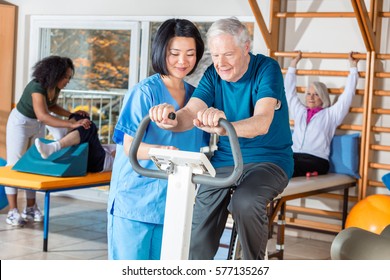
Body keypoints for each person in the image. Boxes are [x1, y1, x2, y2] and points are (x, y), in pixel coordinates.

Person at [149, 17, 293, 260]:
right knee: (202, 213)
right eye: (215, 56)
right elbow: (190, 112)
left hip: (269, 161)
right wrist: (172, 118)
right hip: (226, 160)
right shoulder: (213, 75)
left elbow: (262, 122)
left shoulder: (267, 69)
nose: (220, 63)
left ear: (246, 47)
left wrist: (225, 128)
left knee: (245, 203)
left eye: (227, 54)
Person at [107, 18, 207, 260]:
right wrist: (162, 151)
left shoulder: (197, 98)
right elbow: (131, 146)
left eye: (190, 54)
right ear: (161, 51)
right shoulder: (144, 93)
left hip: (174, 202)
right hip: (136, 200)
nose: (183, 61)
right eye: (175, 53)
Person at [5, 55, 91, 226]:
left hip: (36, 124)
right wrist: (71, 124)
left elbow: (51, 107)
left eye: (69, 77)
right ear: (55, 74)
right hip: (20, 123)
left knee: (34, 163)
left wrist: (73, 115)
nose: (67, 80)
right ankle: (12, 211)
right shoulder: (37, 86)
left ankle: (30, 208)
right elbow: (43, 115)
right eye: (65, 76)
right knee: (13, 165)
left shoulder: (54, 88)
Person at [285, 51, 359, 177]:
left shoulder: (331, 115)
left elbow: (347, 95)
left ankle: (310, 172)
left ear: (323, 97)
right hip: (295, 155)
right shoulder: (300, 111)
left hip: (317, 160)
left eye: (316, 94)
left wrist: (353, 69)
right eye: (309, 93)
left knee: (288, 166)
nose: (311, 97)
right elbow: (289, 91)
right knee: (275, 162)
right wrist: (293, 64)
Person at [34, 114, 115, 173]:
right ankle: (62, 131)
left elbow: (117, 156)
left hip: (102, 162)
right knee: (82, 115)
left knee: (89, 126)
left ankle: (53, 147)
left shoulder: (125, 149)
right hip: (102, 153)